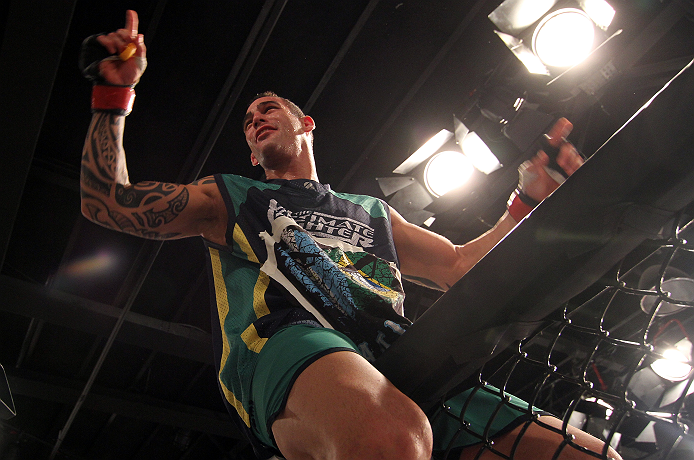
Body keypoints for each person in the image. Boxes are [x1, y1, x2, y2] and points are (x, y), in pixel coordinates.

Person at [79, 10, 621, 460]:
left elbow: (458, 266)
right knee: (393, 439)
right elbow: (107, 202)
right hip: (285, 342)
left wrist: (524, 203)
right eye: (248, 120)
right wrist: (113, 96)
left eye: (269, 109)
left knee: (591, 456)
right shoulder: (232, 197)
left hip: (402, 359)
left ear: (306, 123)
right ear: (250, 153)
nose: (256, 118)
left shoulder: (372, 212)